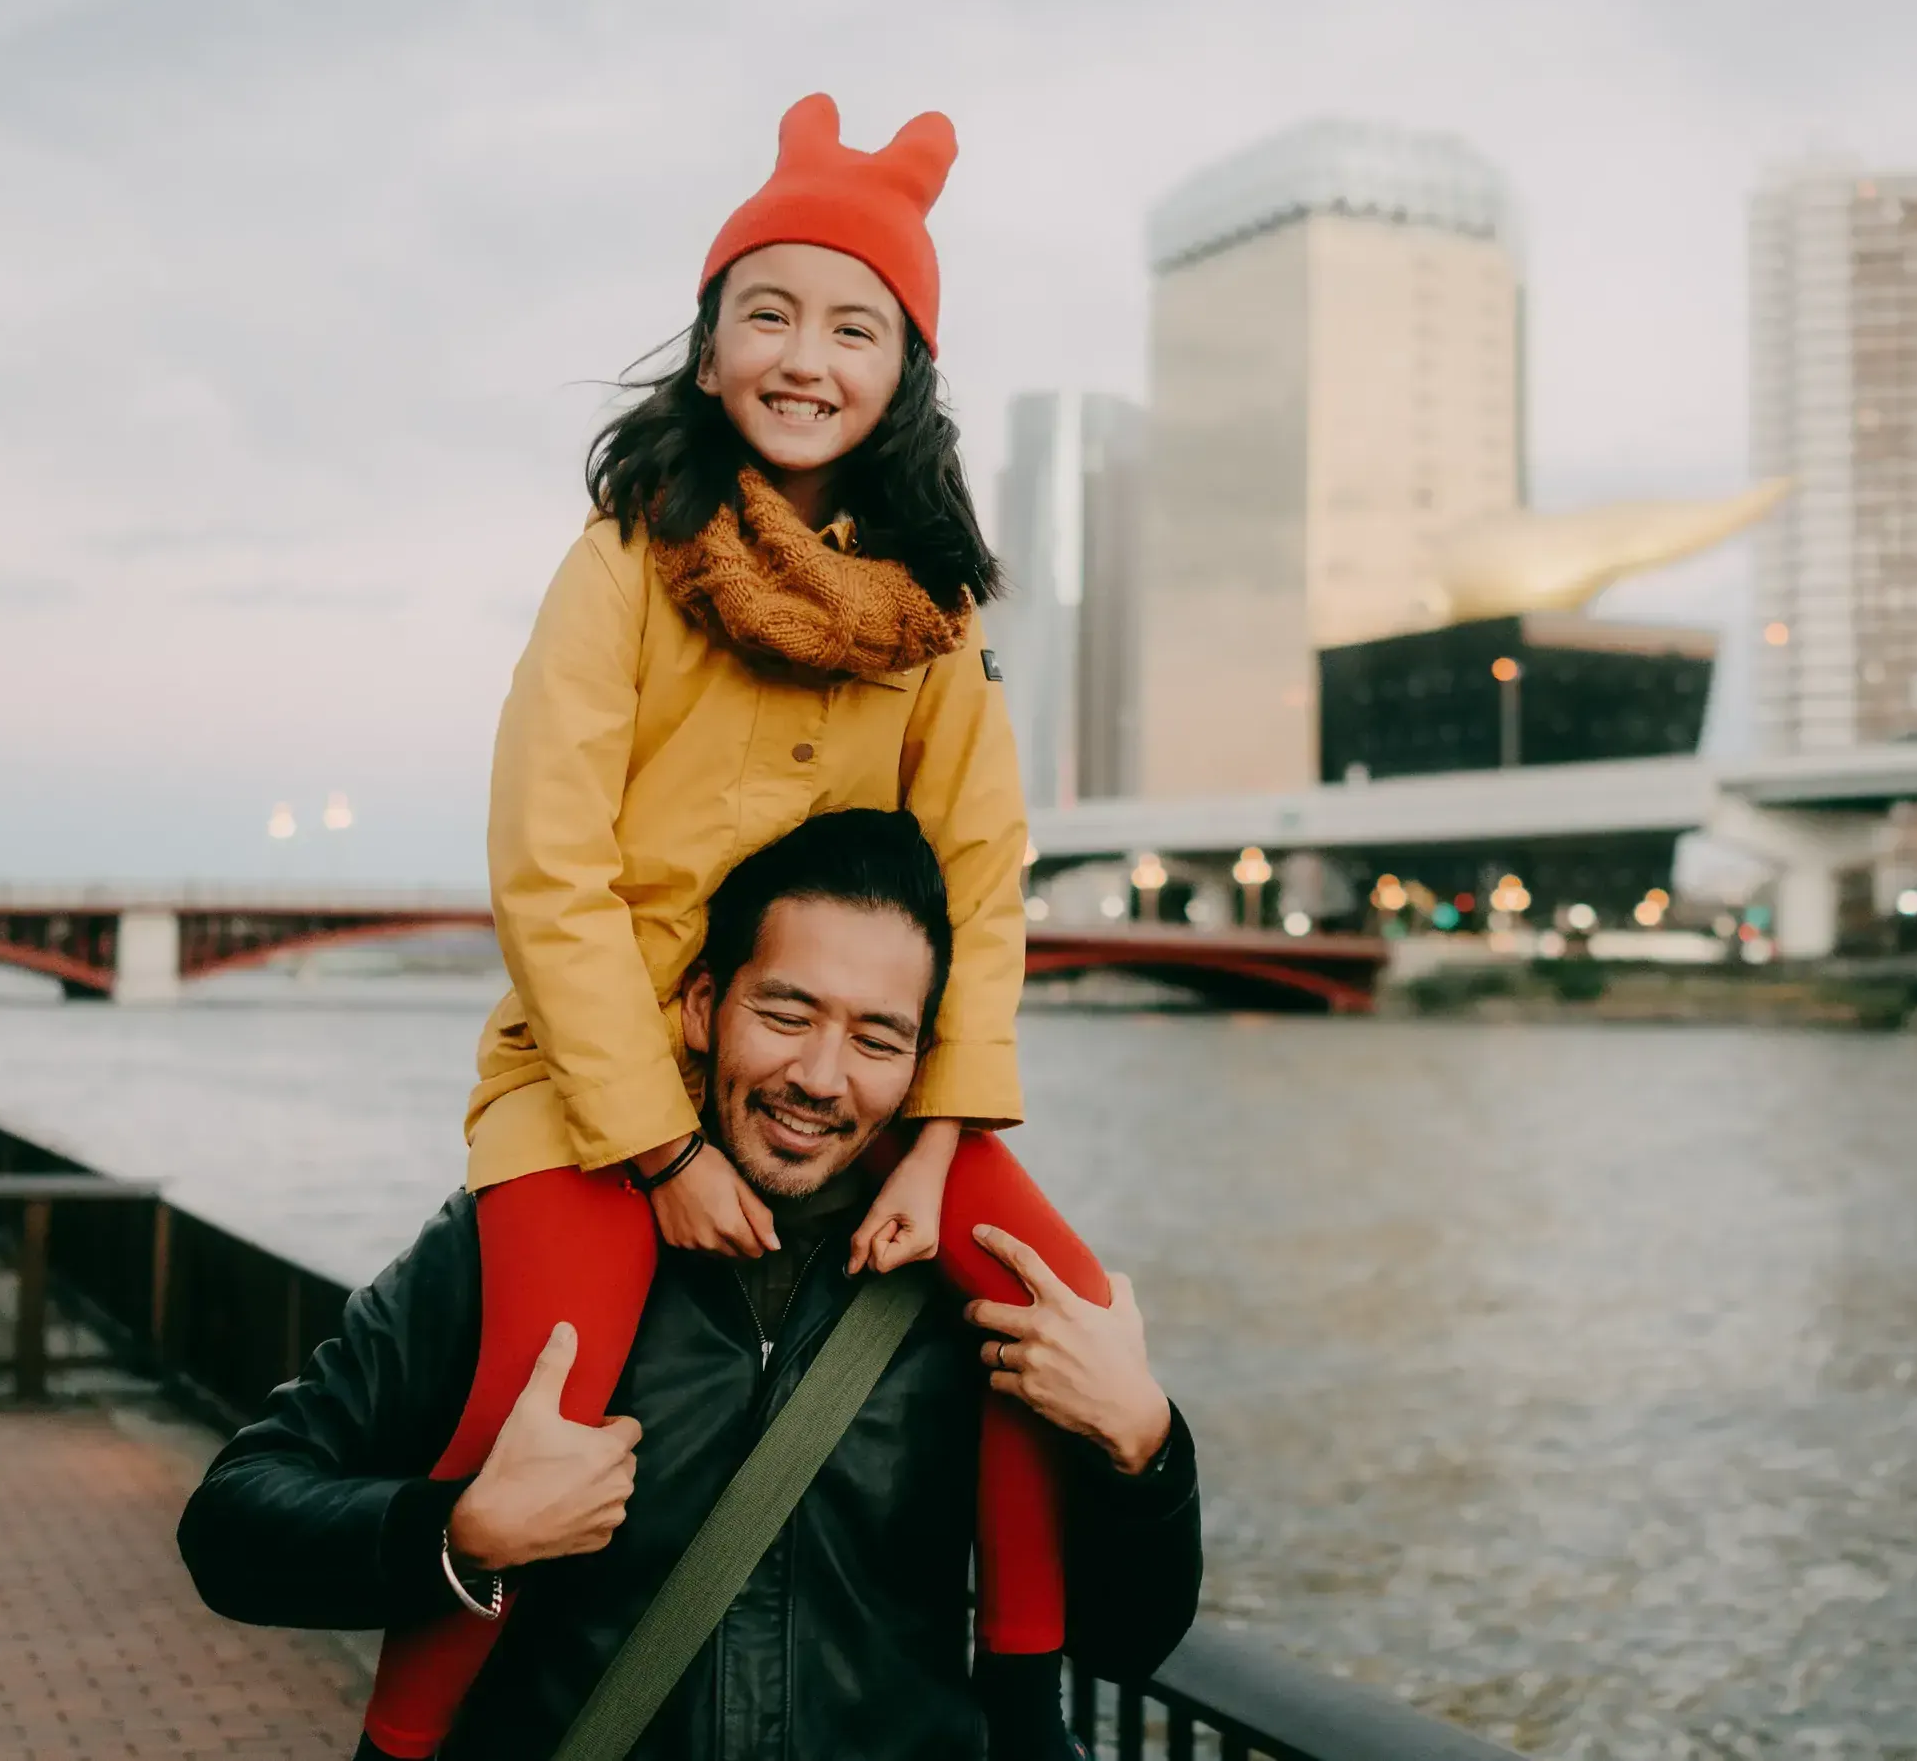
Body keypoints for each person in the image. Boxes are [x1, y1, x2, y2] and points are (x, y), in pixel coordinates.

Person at [370, 94, 1113, 1758]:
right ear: (707, 353)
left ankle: (1029, 1704)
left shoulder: (932, 612)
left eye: (856, 326)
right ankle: (396, 1748)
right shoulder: (629, 555)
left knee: (1043, 1296)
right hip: (598, 1072)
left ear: (903, 374)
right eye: (766, 314)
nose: (805, 355)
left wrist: (938, 1143)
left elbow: (982, 876)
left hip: (842, 1061)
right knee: (527, 1409)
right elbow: (545, 854)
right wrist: (653, 1143)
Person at [178, 811, 1201, 1760]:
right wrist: (462, 1531)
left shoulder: (975, 1292)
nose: (821, 1076)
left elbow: (1126, 1643)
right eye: (787, 1012)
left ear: (924, 1063)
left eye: (876, 1039)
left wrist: (1143, 1444)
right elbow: (230, 1526)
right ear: (706, 1006)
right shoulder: (522, 1250)